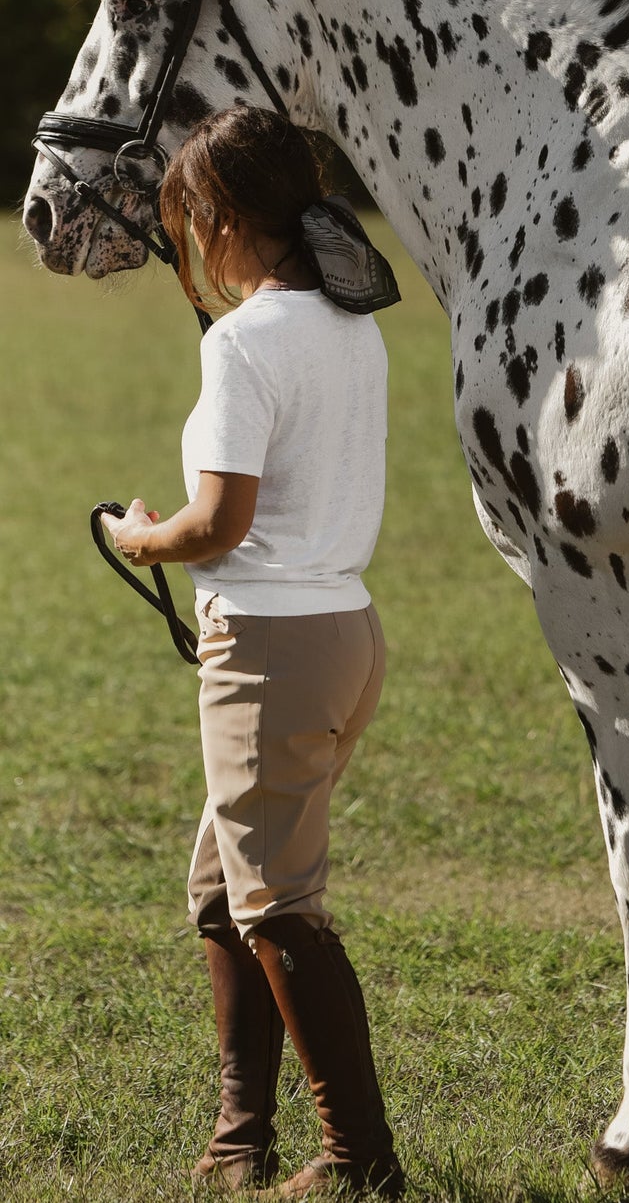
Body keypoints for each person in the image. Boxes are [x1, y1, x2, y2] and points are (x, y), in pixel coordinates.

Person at [102, 105, 403, 1198]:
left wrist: (137, 534)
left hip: (270, 644)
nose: (194, 250)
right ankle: (240, 1143)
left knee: (276, 905)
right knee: (224, 891)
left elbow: (217, 523)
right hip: (343, 633)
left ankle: (357, 1158)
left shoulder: (245, 342)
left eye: (192, 225)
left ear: (227, 219)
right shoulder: (353, 327)